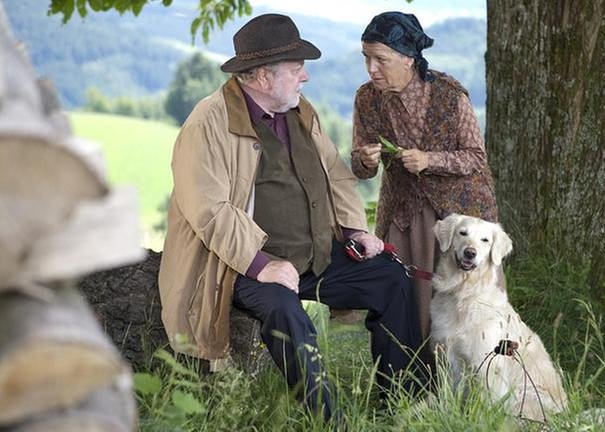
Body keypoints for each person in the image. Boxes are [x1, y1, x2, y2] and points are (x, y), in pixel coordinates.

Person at [158, 13, 423, 421]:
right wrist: (263, 265)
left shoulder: (299, 111)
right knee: (286, 312)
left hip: (313, 256)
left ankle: (401, 403)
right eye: (297, 69)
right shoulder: (208, 122)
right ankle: (327, 421)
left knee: (390, 279)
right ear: (263, 77)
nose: (305, 78)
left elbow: (335, 173)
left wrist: (355, 229)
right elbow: (209, 210)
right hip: (240, 267)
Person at [351, 12, 500, 346]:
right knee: (405, 298)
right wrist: (363, 160)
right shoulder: (366, 99)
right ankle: (410, 380)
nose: (372, 68)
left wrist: (429, 160)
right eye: (366, 58)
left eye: (380, 59)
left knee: (465, 303)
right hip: (404, 216)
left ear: (408, 58)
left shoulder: (450, 95)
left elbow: (476, 156)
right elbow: (362, 169)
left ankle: (476, 382)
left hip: (458, 214)